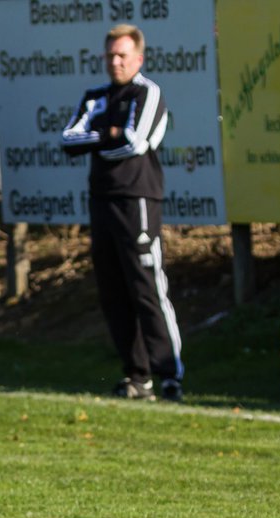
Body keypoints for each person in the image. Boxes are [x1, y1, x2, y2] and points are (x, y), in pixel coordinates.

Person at [60, 24, 183, 402]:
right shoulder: (95, 97)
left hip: (138, 199)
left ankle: (170, 375)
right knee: (113, 290)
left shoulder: (148, 93)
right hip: (102, 200)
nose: (115, 62)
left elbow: (135, 143)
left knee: (146, 286)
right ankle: (136, 376)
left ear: (138, 58)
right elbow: (69, 140)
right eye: (110, 55)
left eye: (123, 55)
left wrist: (101, 139)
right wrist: (107, 134)